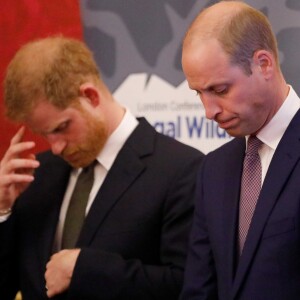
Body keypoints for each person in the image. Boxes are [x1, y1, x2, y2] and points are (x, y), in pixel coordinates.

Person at [0, 36, 204, 300]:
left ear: (90, 96)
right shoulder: (36, 174)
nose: (56, 147)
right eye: (44, 135)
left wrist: (85, 270)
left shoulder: (180, 170)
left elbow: (185, 286)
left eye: (61, 128)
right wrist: (2, 209)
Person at [180, 1, 300, 299]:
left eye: (220, 90)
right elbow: (199, 287)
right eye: (199, 93)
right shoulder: (214, 169)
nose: (209, 111)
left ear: (264, 64)